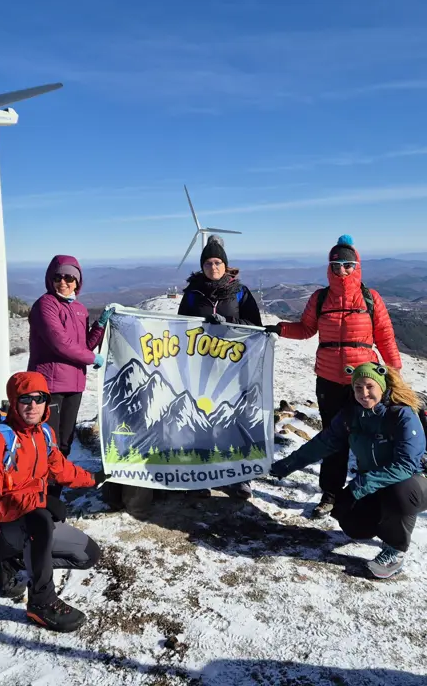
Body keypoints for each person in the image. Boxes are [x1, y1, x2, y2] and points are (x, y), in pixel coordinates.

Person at [265, 235, 401, 518]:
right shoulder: (320, 298)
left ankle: (369, 494)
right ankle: (330, 494)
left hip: (364, 383)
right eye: (336, 264)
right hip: (327, 379)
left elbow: (385, 337)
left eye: (348, 265)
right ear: (329, 266)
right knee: (332, 438)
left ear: (357, 266)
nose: (342, 270)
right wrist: (280, 329)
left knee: (370, 437)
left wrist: (394, 373)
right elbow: (305, 329)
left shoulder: (370, 298)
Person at [0, 371, 107, 632]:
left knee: (87, 555)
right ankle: (41, 603)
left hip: (30, 521)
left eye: (39, 398)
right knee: (40, 519)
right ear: (13, 401)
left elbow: (61, 470)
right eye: (25, 399)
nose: (32, 405)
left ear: (47, 402)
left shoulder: (43, 434)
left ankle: (8, 564)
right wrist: (38, 501)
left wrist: (93, 478)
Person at [270, 363, 427, 579]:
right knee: (353, 525)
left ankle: (396, 549)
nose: (364, 393)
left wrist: (358, 486)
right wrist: (285, 465)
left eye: (370, 387)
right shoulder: (351, 415)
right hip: (375, 482)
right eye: (358, 388)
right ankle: (386, 524)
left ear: (382, 386)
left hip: (414, 483)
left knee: (400, 493)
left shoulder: (401, 415)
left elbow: (405, 465)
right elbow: (322, 444)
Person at [179, 235, 262, 500]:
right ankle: (201, 475)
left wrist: (227, 321)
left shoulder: (239, 291)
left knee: (233, 421)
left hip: (233, 367)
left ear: (225, 265)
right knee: (201, 421)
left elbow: (255, 325)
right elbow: (179, 327)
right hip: (201, 367)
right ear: (202, 266)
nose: (213, 268)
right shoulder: (192, 294)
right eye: (208, 263)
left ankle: (239, 477)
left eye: (217, 262)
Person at [28, 255, 113, 495]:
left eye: (69, 277)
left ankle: (53, 493)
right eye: (58, 277)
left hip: (74, 384)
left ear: (78, 281)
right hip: (49, 386)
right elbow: (60, 344)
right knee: (47, 443)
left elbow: (84, 345)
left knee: (64, 443)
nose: (63, 282)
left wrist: (100, 325)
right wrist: (92, 359)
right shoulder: (45, 305)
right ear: (50, 279)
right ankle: (39, 495)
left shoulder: (79, 309)